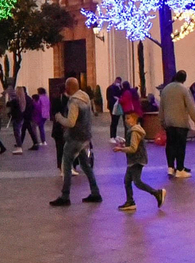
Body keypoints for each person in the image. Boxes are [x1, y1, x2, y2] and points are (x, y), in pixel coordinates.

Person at [49, 78, 101, 206]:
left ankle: (65, 196)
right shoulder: (85, 97)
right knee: (86, 166)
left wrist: (59, 117)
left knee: (66, 165)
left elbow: (71, 122)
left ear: (68, 87)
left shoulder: (74, 102)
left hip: (75, 138)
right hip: (85, 136)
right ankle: (95, 193)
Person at [113, 111, 165, 212]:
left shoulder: (134, 132)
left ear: (134, 119)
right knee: (127, 180)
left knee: (137, 181)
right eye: (126, 118)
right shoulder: (135, 130)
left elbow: (133, 148)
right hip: (135, 159)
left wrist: (121, 149)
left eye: (128, 118)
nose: (126, 120)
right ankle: (130, 201)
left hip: (136, 160)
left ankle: (157, 193)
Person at [160, 71, 195, 179]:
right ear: (184, 79)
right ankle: (180, 169)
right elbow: (191, 107)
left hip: (169, 123)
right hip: (181, 122)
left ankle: (171, 168)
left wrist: (162, 121)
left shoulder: (165, 89)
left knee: (170, 145)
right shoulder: (184, 90)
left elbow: (161, 107)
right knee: (181, 146)